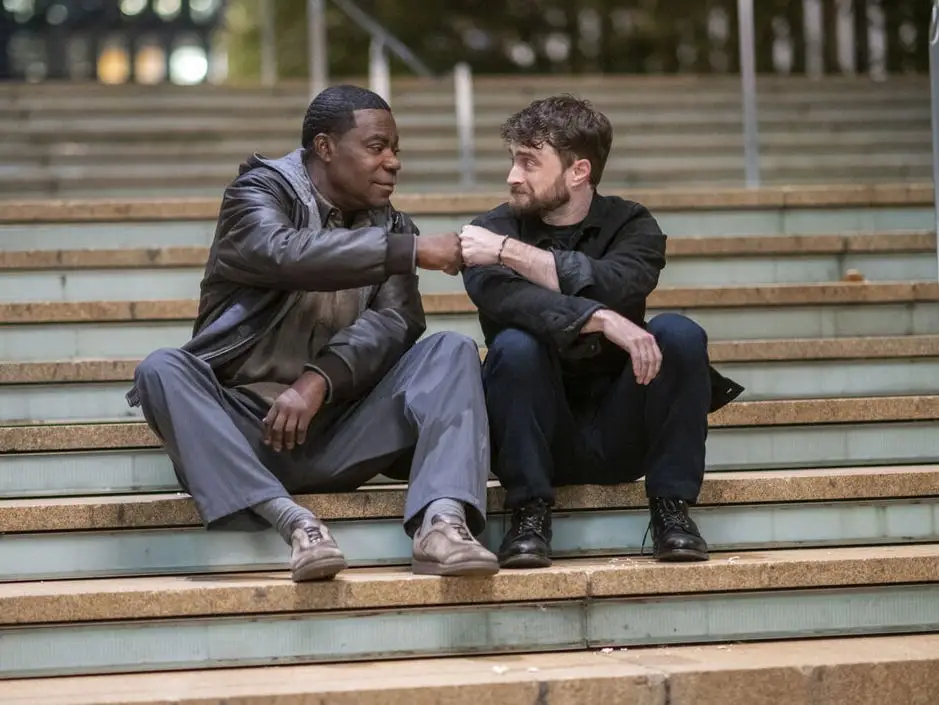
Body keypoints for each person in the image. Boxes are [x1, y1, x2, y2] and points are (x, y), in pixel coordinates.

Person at [126, 85, 499, 582]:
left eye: (396, 151)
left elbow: (395, 323)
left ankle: (443, 525)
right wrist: (407, 250)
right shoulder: (255, 196)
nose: (393, 163)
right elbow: (279, 252)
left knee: (451, 350)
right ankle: (295, 523)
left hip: (342, 429)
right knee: (161, 369)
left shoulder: (392, 223)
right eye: (376, 147)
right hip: (245, 434)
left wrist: (318, 379)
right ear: (325, 147)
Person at [459, 95, 743, 569]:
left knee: (678, 334)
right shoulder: (490, 228)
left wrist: (510, 253)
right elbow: (514, 303)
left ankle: (672, 510)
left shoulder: (632, 225)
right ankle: (528, 513)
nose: (513, 176)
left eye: (529, 162)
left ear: (578, 171)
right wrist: (602, 319)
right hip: (536, 434)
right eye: (513, 161)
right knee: (514, 345)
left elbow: (616, 283)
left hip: (623, 428)